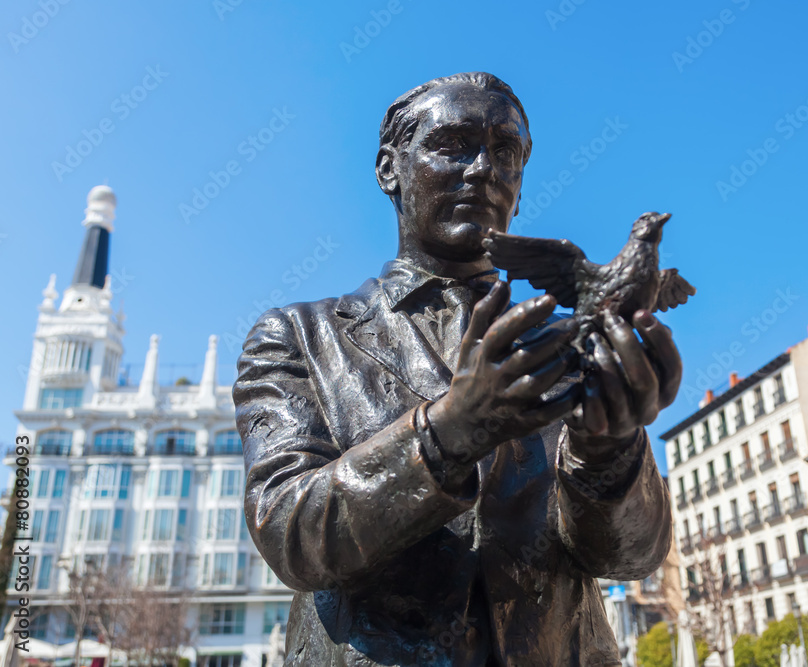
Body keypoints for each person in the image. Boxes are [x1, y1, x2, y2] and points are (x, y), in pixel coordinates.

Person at [234, 72, 681, 666]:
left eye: (505, 153)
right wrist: (448, 430)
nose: (483, 170)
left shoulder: (570, 343)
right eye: (452, 144)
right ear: (389, 169)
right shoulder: (299, 337)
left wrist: (610, 451)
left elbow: (632, 557)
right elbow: (292, 534)